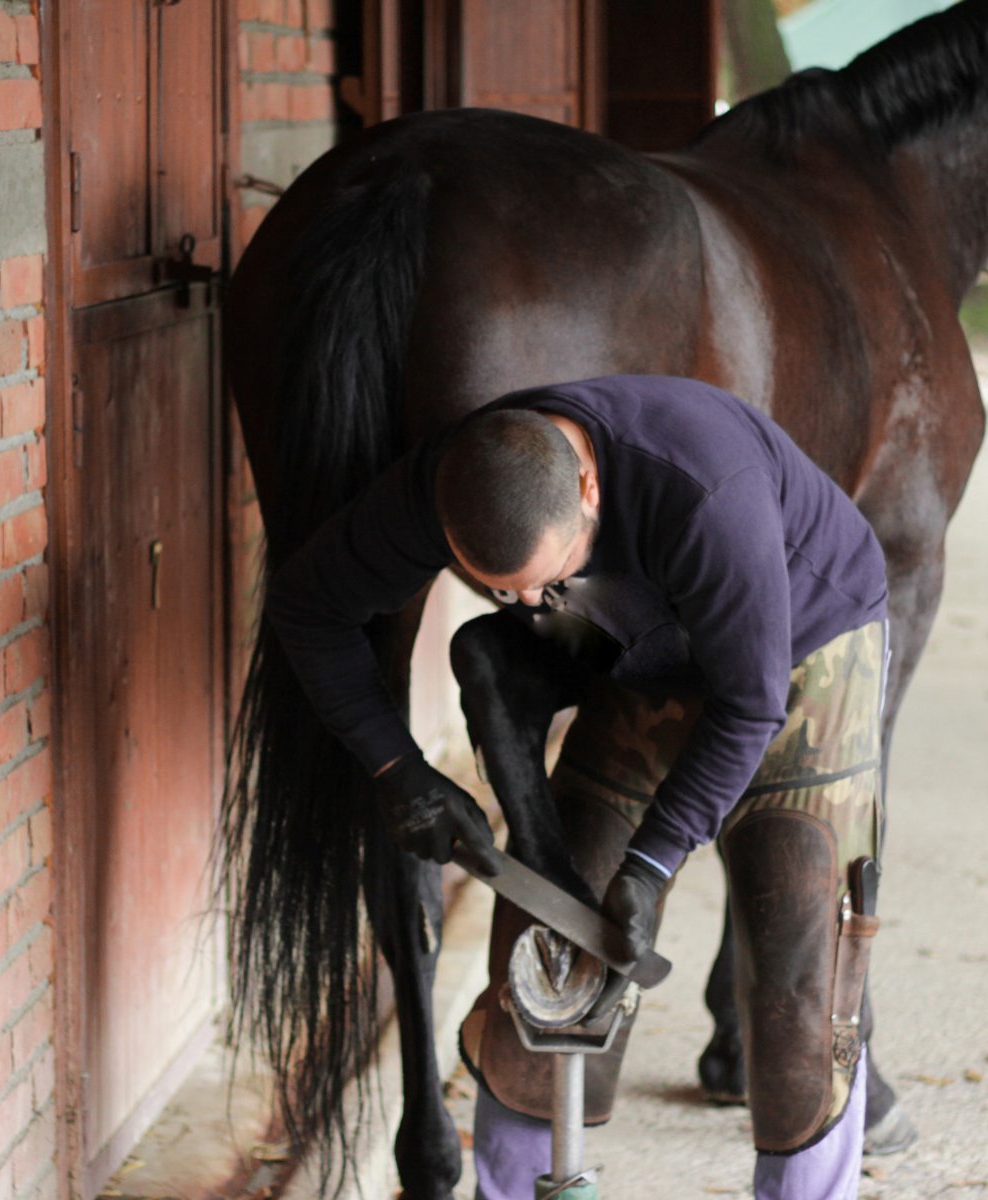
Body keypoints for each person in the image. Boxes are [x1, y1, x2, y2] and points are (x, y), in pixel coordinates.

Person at [267, 375, 889, 1200]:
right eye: (504, 589)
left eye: (542, 578)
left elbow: (749, 704)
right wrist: (399, 770)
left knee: (796, 979)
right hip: (641, 652)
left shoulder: (706, 493)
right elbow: (309, 607)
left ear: (589, 488)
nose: (526, 602)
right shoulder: (452, 481)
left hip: (806, 653)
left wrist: (658, 859)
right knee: (549, 958)